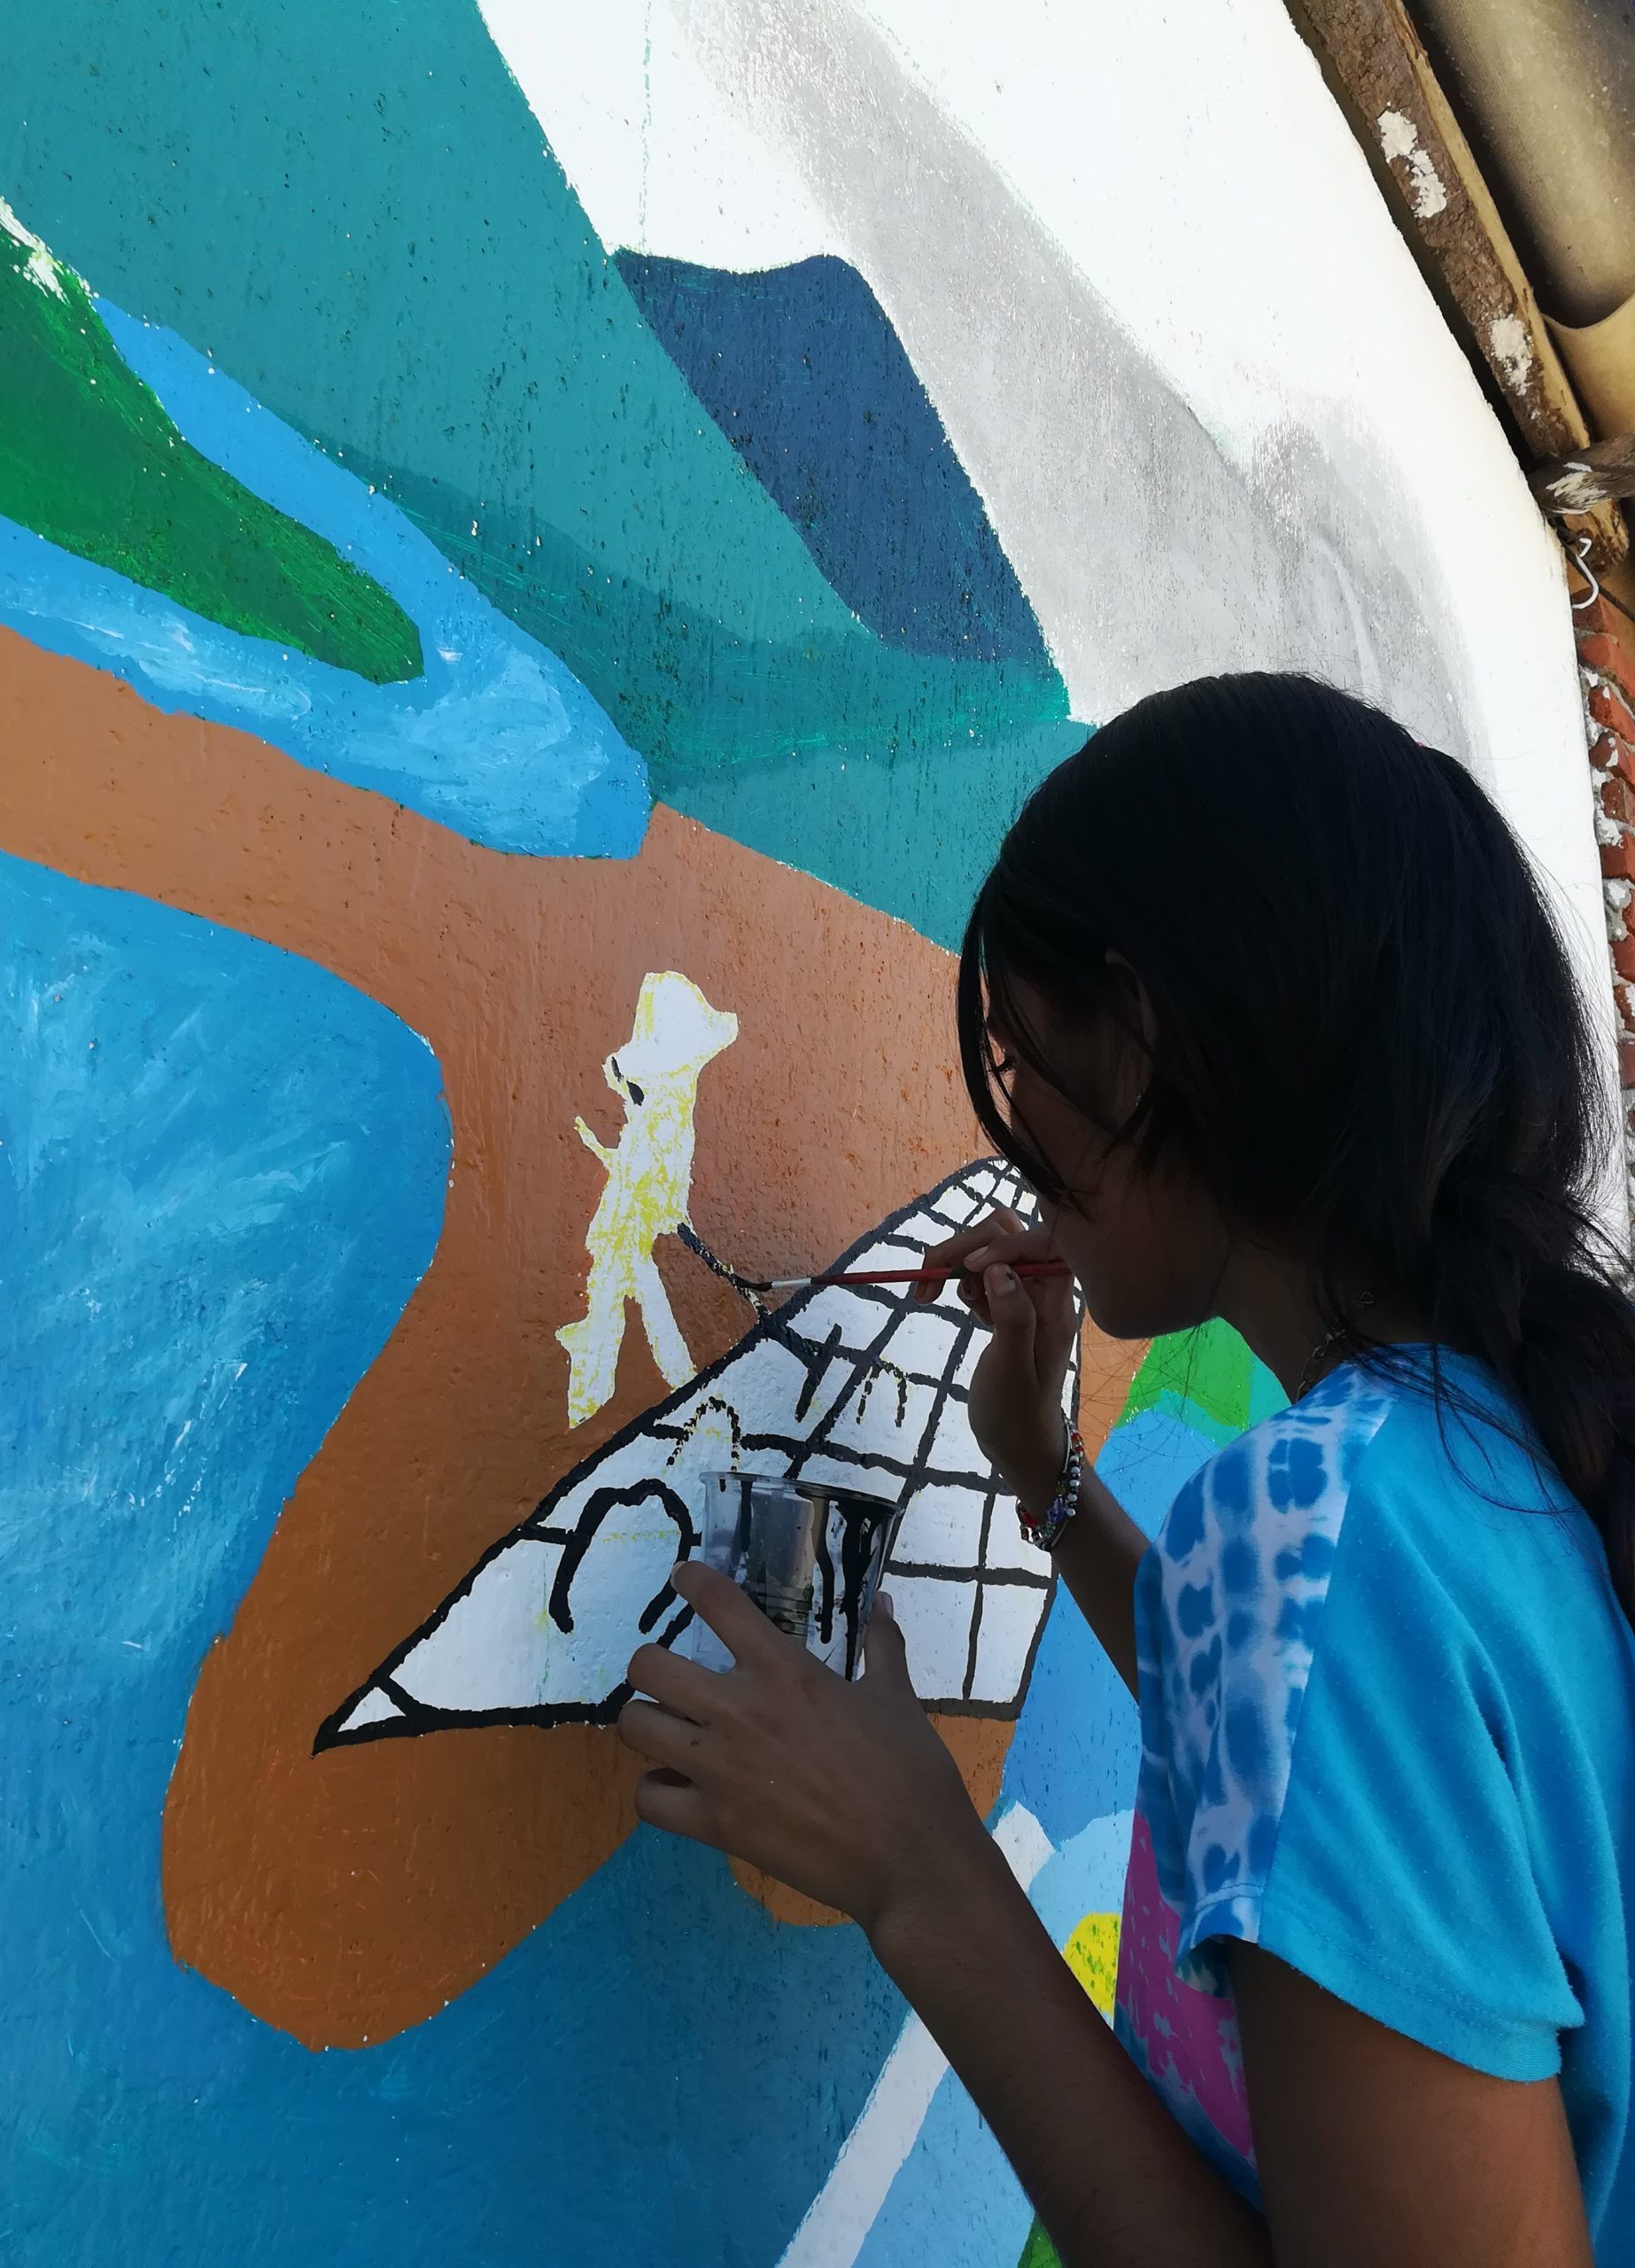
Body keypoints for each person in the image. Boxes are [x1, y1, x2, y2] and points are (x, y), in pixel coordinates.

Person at [618, 673, 1635, 2265]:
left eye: (1024, 1068)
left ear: (1143, 1042)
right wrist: (1050, 1481)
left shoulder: (1324, 1531)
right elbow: (1319, 1768)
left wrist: (918, 1869)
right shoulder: (1484, 1456)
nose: (1015, 1141)